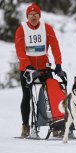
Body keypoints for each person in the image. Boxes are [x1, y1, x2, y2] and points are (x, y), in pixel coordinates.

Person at [15, 3, 64, 137]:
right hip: (27, 69)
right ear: (27, 16)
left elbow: (55, 47)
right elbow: (20, 51)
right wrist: (28, 66)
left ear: (39, 15)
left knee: (53, 91)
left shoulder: (47, 28)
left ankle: (56, 125)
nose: (33, 17)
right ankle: (25, 126)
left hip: (44, 68)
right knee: (27, 95)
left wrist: (58, 64)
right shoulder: (21, 29)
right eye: (30, 15)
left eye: (35, 15)